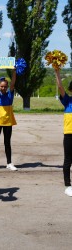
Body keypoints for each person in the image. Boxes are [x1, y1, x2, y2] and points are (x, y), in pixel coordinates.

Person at [54, 68, 72, 197]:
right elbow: (60, 86)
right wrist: (57, 71)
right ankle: (68, 185)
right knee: (68, 160)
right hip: (69, 134)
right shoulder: (67, 101)